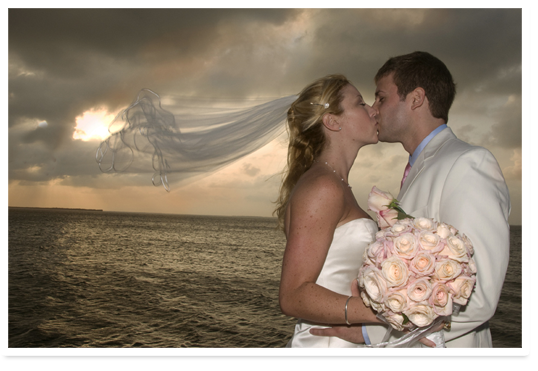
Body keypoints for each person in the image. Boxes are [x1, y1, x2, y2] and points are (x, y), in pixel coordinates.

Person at [311, 51, 511, 348]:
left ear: (416, 99)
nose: (374, 109)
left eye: (381, 98)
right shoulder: (421, 168)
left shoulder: (468, 163)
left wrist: (372, 332)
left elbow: (478, 296)